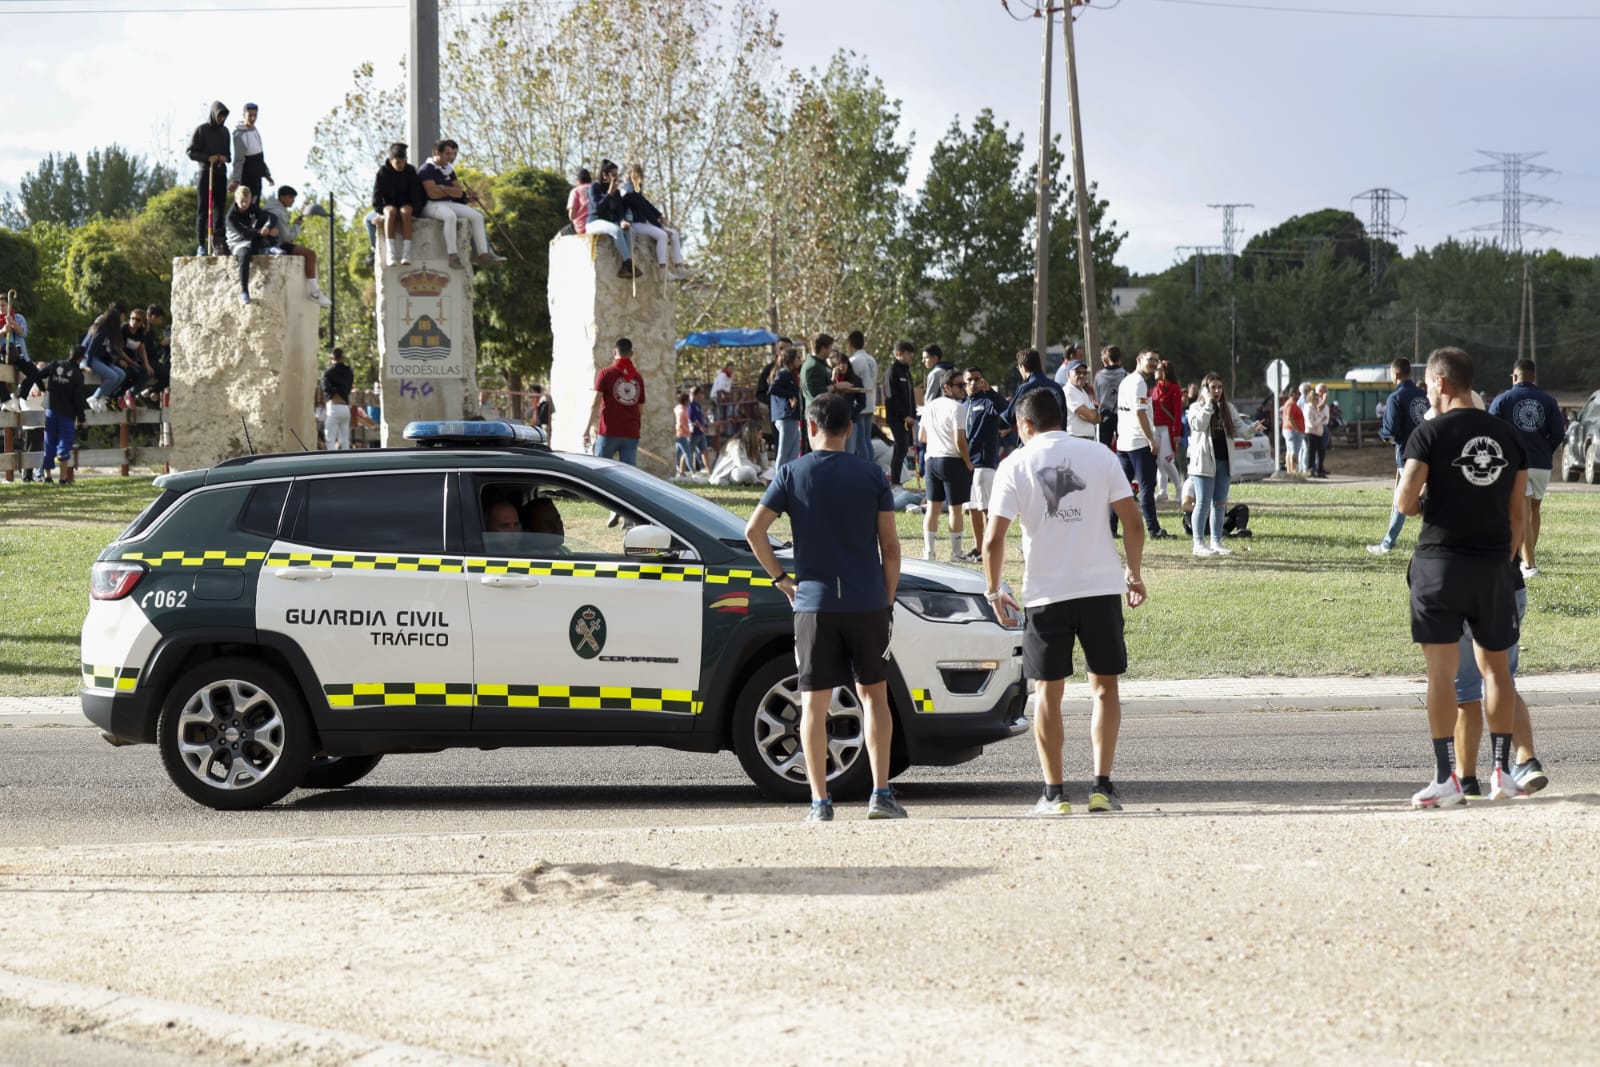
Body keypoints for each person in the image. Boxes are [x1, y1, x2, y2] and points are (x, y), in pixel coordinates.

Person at [983, 388, 1147, 815]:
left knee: (1047, 695)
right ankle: (1102, 787)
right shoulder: (1100, 455)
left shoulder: (1013, 464)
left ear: (1025, 425)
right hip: (1100, 588)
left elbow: (992, 539)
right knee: (1105, 688)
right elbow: (1133, 522)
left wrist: (994, 588)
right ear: (1061, 417)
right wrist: (1134, 573)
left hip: (1046, 595)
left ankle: (1054, 794)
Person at [744, 392, 906, 823]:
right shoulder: (873, 476)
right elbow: (891, 548)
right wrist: (886, 599)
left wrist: (782, 580)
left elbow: (753, 531)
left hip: (813, 604)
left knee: (813, 703)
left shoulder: (791, 473)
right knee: (875, 696)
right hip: (867, 601)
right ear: (850, 430)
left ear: (810, 428)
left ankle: (820, 802)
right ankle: (881, 793)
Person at [1396, 347, 1528, 809]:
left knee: (1441, 674)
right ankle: (1502, 772)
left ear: (1441, 383)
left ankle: (1445, 777)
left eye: (1429, 383)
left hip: (1439, 564)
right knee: (1498, 672)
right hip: (1493, 567)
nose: (1427, 390)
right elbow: (1518, 516)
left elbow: (1404, 501)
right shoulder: (1509, 437)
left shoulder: (1428, 433)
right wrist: (1500, 558)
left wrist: (1429, 500)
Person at [1452, 564, 1547, 800]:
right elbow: (1519, 527)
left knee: (1466, 689)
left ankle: (1466, 779)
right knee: (1501, 678)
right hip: (1506, 583)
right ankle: (1526, 759)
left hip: (1456, 586)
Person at [1488, 357, 1565, 578]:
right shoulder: (1548, 400)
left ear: (1514, 376)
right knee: (1534, 510)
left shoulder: (1502, 399)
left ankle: (1529, 564)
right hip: (1541, 464)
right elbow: (1559, 433)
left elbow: (1491, 430)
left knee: (1519, 510)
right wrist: (1544, 450)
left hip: (1515, 465)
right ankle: (1527, 557)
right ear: (1534, 377)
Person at [1186, 373, 1261, 557]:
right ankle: (1198, 543)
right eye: (1213, 387)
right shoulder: (1196, 407)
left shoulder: (1228, 408)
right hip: (1203, 463)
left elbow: (1241, 429)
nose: (1217, 391)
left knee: (1219, 504)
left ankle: (1216, 542)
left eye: (1220, 387)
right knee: (1202, 503)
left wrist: (1253, 429)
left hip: (1224, 463)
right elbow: (1198, 425)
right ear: (1205, 389)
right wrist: (1209, 405)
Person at [1367, 357, 1429, 554]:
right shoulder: (1424, 395)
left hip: (1407, 454)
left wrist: (1384, 436)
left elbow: (1390, 429)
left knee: (1403, 497)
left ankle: (1387, 543)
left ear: (1394, 374)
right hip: (1428, 451)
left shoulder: (1395, 398)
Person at [417, 139, 506, 269]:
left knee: (477, 216)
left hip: (446, 203)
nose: (452, 157)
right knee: (450, 216)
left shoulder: (449, 170)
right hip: (429, 205)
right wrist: (451, 191)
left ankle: (482, 255)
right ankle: (452, 255)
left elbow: (458, 193)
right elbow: (433, 194)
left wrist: (443, 188)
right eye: (448, 154)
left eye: (454, 154)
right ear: (437, 152)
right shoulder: (426, 170)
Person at [1114, 349, 1170, 539]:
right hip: (1138, 443)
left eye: (1156, 360)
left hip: (1124, 443)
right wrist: (1151, 440)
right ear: (1139, 359)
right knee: (1147, 487)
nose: (1154, 363)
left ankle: (1110, 528)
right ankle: (1154, 530)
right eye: (1150, 360)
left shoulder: (1126, 381)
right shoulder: (1138, 383)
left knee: (1119, 487)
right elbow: (1139, 413)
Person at [919, 367, 973, 561]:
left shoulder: (930, 406)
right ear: (946, 388)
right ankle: (956, 553)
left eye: (964, 384)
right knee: (955, 509)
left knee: (932, 508)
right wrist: (968, 462)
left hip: (932, 460)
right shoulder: (958, 408)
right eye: (959, 385)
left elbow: (921, 437)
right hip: (951, 460)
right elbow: (960, 440)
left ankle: (929, 552)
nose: (963, 388)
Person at [262, 186, 333, 307]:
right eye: (290, 198)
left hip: (267, 244)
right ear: (282, 197)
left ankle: (315, 292)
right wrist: (297, 226)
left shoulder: (269, 207)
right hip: (276, 245)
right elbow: (287, 238)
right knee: (310, 254)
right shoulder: (279, 212)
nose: (293, 201)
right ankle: (315, 293)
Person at [961, 366, 1002, 563]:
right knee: (972, 507)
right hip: (966, 464)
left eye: (977, 378)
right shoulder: (962, 404)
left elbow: (1006, 410)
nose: (973, 383)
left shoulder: (987, 401)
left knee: (986, 508)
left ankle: (989, 548)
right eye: (968, 380)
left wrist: (991, 392)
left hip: (984, 463)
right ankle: (978, 547)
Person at [583, 338, 645, 464]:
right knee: (629, 474)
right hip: (630, 432)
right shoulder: (638, 378)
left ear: (614, 352)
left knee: (601, 470)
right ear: (631, 354)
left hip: (609, 431)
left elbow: (595, 403)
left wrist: (587, 429)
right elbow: (640, 409)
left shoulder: (605, 373)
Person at [620, 162, 687, 277]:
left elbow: (646, 204)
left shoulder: (635, 191)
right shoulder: (629, 191)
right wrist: (659, 226)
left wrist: (659, 215)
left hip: (641, 222)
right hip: (634, 224)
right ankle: (662, 270)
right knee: (662, 235)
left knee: (675, 234)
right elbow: (645, 210)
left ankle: (678, 266)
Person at [35, 344, 90, 485]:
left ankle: (47, 477)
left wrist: (43, 389)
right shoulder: (78, 375)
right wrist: (82, 419)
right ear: (81, 358)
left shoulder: (55, 365)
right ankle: (63, 478)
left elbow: (38, 375)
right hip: (67, 414)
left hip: (50, 410)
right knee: (64, 445)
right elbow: (78, 400)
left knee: (49, 443)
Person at [187, 101, 231, 254]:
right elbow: (191, 152)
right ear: (214, 114)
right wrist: (208, 158)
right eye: (219, 116)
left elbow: (229, 155)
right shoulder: (201, 130)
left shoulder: (225, 132)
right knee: (203, 210)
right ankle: (201, 244)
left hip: (220, 174)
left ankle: (218, 243)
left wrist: (223, 158)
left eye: (224, 117)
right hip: (206, 173)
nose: (221, 119)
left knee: (219, 210)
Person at [372, 142, 426, 267]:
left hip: (406, 205)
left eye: (404, 161)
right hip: (389, 206)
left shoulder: (410, 171)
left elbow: (417, 194)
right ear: (391, 161)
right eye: (398, 162)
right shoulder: (382, 172)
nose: (402, 165)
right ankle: (391, 254)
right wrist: (380, 211)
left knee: (406, 212)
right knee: (390, 212)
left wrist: (415, 211)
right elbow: (377, 196)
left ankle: (406, 254)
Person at [224, 186, 278, 307]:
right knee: (245, 254)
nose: (244, 204)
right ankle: (244, 291)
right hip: (237, 243)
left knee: (266, 222)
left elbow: (271, 217)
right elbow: (243, 233)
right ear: (236, 199)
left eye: (247, 201)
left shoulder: (251, 207)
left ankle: (270, 247)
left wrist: (268, 227)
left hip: (252, 238)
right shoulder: (230, 217)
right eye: (242, 201)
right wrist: (261, 232)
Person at [587, 160, 638, 278]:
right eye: (613, 175)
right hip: (594, 222)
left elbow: (620, 210)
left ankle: (626, 266)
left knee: (630, 231)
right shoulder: (595, 187)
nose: (616, 178)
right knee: (616, 230)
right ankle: (629, 263)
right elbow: (597, 208)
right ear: (605, 175)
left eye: (617, 175)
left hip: (610, 222)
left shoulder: (617, 192)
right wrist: (609, 193)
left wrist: (622, 220)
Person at [1000, 347, 1066, 430]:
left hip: (1033, 439)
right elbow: (1064, 416)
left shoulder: (1025, 388)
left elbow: (1010, 417)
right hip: (1057, 437)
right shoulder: (1057, 387)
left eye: (1018, 368)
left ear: (1022, 367)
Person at [882, 340, 917, 487]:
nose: (911, 357)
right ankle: (895, 483)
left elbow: (911, 396)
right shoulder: (892, 371)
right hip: (897, 418)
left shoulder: (906, 371)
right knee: (901, 447)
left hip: (908, 419)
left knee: (903, 449)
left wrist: (913, 415)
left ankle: (896, 481)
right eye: (908, 354)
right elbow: (893, 396)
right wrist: (904, 415)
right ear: (899, 354)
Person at [82, 305, 128, 411]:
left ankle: (103, 398)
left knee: (121, 374)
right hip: (88, 357)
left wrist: (111, 362)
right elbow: (91, 348)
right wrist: (88, 365)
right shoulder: (102, 329)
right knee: (112, 376)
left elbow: (106, 351)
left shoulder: (109, 331)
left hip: (98, 358)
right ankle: (94, 397)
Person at [1151, 360, 1184, 500]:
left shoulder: (1175, 389)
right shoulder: (1155, 388)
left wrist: (1176, 432)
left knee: (1166, 460)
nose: (1155, 371)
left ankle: (1179, 488)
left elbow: (1177, 412)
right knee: (1159, 462)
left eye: (1158, 369)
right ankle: (1163, 491)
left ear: (1165, 372)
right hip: (1155, 427)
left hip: (1167, 429)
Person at [846, 331, 879, 463]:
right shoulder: (872, 360)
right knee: (866, 439)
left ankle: (865, 466)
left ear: (850, 344)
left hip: (858, 403)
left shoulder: (854, 361)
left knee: (860, 440)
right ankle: (870, 465)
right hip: (870, 401)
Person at [229, 103, 271, 203]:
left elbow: (259, 155)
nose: (252, 118)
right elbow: (238, 159)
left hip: (257, 175)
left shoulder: (255, 131)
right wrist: (236, 180)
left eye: (255, 115)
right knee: (245, 204)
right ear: (244, 115)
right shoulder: (239, 135)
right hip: (247, 175)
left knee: (255, 205)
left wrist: (266, 174)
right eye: (250, 115)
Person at [768, 345, 802, 469]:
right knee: (784, 452)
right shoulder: (784, 374)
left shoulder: (791, 375)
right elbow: (773, 388)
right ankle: (779, 479)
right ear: (791, 360)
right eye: (798, 358)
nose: (800, 360)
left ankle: (789, 477)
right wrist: (789, 396)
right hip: (785, 417)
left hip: (792, 417)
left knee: (794, 450)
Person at [1094, 345, 1127, 449]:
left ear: (1106, 359)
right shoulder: (1126, 375)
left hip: (1105, 416)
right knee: (1124, 447)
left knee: (1104, 448)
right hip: (1122, 415)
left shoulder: (1099, 376)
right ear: (1119, 359)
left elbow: (1097, 397)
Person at [321, 348, 353, 450]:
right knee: (344, 440)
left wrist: (334, 392)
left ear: (331, 357)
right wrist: (341, 390)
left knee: (330, 439)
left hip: (334, 407)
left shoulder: (328, 373)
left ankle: (331, 462)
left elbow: (326, 388)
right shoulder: (349, 371)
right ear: (342, 357)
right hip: (345, 408)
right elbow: (348, 388)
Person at [1063, 360, 1099, 440]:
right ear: (1068, 374)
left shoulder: (1081, 390)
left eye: (1085, 373)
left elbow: (1098, 418)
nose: (1082, 375)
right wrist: (1095, 414)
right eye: (1078, 372)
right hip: (1076, 438)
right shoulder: (1069, 391)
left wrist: (1095, 414)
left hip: (1085, 439)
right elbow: (1092, 417)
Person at [1298, 381, 1328, 479]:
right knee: (1311, 453)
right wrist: (1320, 419)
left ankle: (1319, 470)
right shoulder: (1308, 408)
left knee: (1321, 452)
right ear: (1311, 399)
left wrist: (1321, 418)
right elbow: (1311, 424)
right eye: (1315, 399)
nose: (1317, 401)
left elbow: (1322, 416)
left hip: (1319, 432)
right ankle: (1310, 470)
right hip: (1310, 433)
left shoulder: (1316, 408)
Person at [688, 385, 716, 471]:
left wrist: (703, 416)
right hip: (694, 433)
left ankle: (709, 470)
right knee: (688, 452)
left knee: (705, 451)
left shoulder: (697, 405)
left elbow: (699, 416)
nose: (702, 395)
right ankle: (683, 470)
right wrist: (700, 427)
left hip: (700, 433)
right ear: (696, 394)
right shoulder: (691, 405)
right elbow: (692, 419)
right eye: (700, 393)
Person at [1280, 387, 1305, 475]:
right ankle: (1293, 472)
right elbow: (1290, 417)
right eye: (1297, 393)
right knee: (1294, 453)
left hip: (1289, 430)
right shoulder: (1291, 404)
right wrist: (1297, 429)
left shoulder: (1290, 403)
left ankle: (1290, 471)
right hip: (1292, 431)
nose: (1299, 395)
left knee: (1290, 451)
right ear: (1293, 394)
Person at [672, 392, 695, 475]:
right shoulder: (682, 411)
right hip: (682, 434)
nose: (690, 402)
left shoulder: (677, 408)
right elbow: (681, 424)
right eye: (688, 400)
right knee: (688, 453)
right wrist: (688, 432)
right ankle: (693, 472)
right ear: (685, 401)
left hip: (678, 433)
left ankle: (678, 470)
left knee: (677, 453)